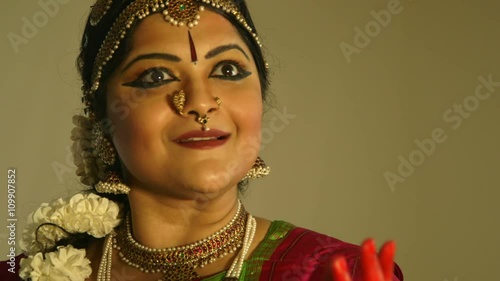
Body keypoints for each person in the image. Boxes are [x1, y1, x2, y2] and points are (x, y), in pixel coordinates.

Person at [1, 0, 404, 280]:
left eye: (228, 70)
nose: (200, 102)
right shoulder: (29, 275)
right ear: (102, 121)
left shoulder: (331, 272)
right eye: (156, 76)